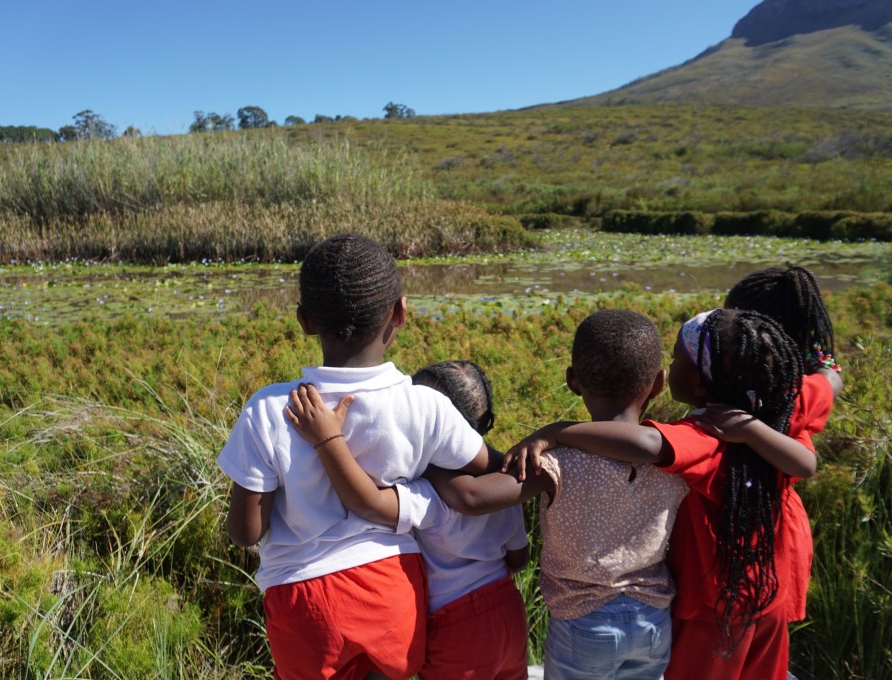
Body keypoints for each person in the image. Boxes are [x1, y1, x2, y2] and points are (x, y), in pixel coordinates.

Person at [217, 233, 491, 680]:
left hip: (302, 602)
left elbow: (245, 532)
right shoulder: (426, 405)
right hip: (392, 592)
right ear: (400, 311)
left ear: (305, 321)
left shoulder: (268, 408)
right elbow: (486, 466)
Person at [504, 308, 818, 680]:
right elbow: (807, 461)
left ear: (700, 384)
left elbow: (647, 444)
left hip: (714, 604)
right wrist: (752, 430)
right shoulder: (775, 424)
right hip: (771, 591)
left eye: (676, 359)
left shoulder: (703, 434)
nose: (670, 367)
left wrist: (558, 432)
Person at [285, 360, 530, 680]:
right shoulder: (502, 489)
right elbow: (520, 558)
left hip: (456, 627)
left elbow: (369, 503)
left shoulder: (432, 494)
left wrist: (329, 440)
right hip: (508, 610)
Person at [724, 264, 843, 625]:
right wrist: (817, 352)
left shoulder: (723, 393)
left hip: (727, 538)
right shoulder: (799, 394)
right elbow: (831, 377)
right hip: (783, 535)